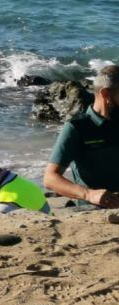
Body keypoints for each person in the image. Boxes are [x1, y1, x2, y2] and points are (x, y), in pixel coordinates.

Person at [43, 64, 119, 208]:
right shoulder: (77, 128)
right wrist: (89, 194)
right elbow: (50, 178)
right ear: (105, 94)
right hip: (94, 210)